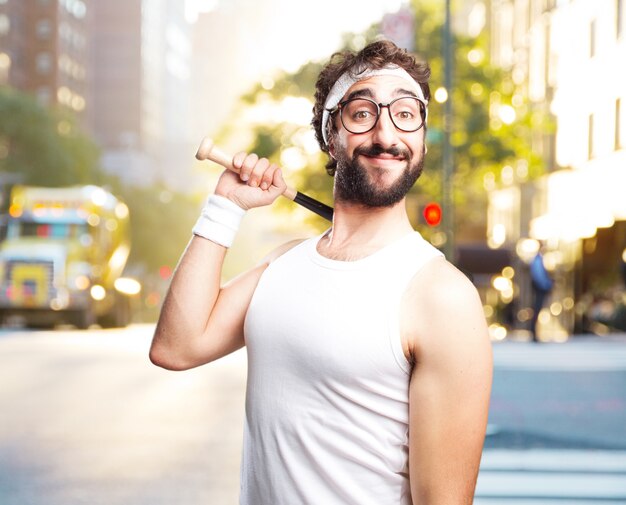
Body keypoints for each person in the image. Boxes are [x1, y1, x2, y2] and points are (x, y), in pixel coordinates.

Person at [150, 40, 493, 504]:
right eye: (362, 113)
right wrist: (224, 207)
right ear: (331, 134)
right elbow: (176, 346)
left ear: (421, 137)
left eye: (406, 114)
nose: (386, 135)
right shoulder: (283, 263)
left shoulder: (441, 296)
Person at [529, 246, 553, 342]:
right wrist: (547, 285)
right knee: (537, 310)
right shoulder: (538, 260)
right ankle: (533, 332)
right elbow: (539, 276)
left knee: (537, 310)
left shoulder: (538, 260)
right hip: (540, 289)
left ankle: (534, 332)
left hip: (540, 288)